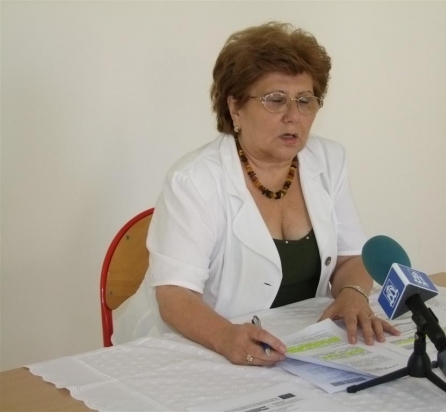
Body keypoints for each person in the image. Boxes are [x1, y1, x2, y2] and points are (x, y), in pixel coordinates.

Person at [113, 21, 399, 366]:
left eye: (305, 100)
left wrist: (353, 294)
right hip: (195, 348)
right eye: (275, 100)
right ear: (235, 107)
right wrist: (225, 337)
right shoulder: (193, 180)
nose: (293, 116)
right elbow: (175, 295)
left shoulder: (328, 160)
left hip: (295, 346)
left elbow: (351, 257)